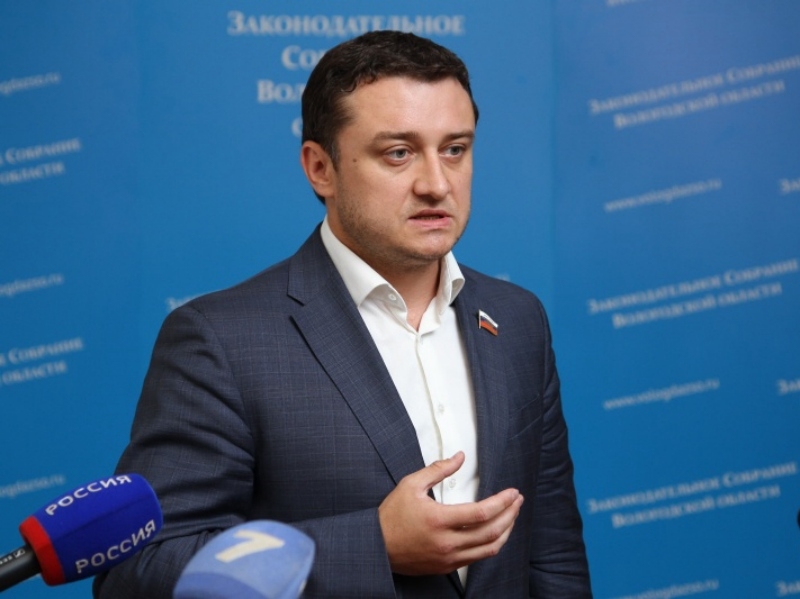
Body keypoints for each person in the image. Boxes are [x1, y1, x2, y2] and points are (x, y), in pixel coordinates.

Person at [94, 31, 592, 598]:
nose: (436, 184)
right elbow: (141, 572)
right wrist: (374, 545)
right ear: (320, 168)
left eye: (454, 149)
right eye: (398, 153)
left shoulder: (518, 319)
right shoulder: (220, 342)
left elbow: (552, 554)